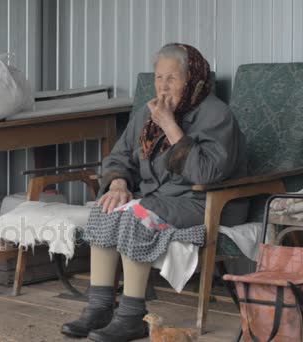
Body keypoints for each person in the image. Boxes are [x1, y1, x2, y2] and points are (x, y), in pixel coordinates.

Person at [61, 43, 248, 341]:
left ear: (193, 80)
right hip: (159, 200)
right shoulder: (148, 114)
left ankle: (133, 316)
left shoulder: (216, 115)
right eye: (159, 78)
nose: (162, 86)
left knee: (137, 214)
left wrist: (171, 127)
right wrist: (119, 182)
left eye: (172, 78)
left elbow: (207, 174)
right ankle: (99, 308)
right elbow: (119, 156)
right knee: (107, 207)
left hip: (204, 201)